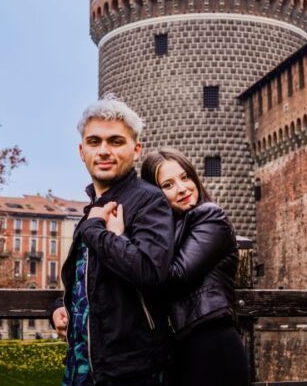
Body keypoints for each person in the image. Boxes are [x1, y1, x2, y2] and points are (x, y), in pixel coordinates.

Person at [50, 95, 174, 385]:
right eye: (95, 142)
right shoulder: (94, 209)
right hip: (83, 368)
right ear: (82, 150)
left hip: (131, 372)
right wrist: (58, 307)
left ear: (136, 149)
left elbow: (151, 270)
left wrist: (96, 230)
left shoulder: (147, 201)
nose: (104, 151)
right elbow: (86, 279)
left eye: (116, 141)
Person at [128, 148, 249, 385]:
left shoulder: (210, 216)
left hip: (212, 343)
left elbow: (174, 277)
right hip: (182, 346)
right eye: (168, 184)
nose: (183, 188)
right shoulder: (170, 229)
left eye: (185, 178)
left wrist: (119, 240)